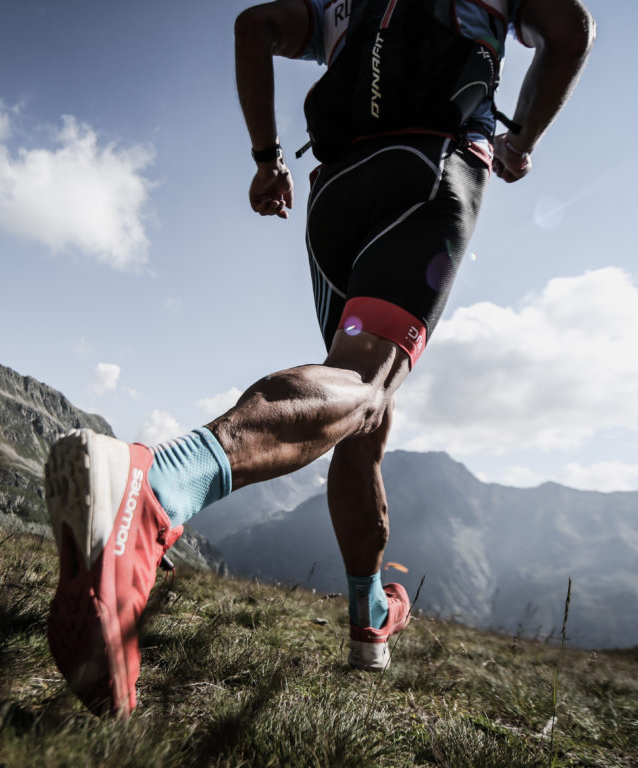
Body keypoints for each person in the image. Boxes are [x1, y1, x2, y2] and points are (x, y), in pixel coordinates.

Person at [44, 0, 595, 718]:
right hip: (428, 165)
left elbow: (253, 27)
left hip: (335, 195)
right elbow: (569, 27)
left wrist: (267, 159)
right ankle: (156, 493)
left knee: (360, 420)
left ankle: (370, 616)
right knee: (364, 385)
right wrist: (521, 139)